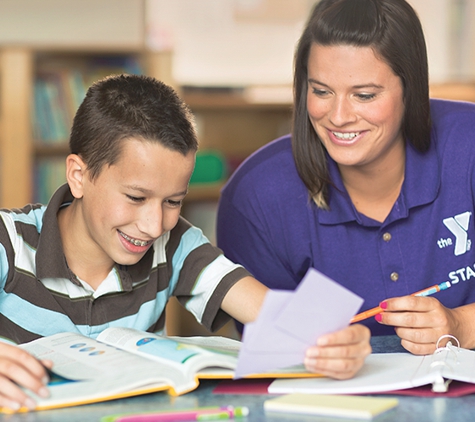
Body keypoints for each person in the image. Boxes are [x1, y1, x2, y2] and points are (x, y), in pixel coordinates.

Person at [0, 74, 370, 411]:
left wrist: (335, 338)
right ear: (79, 176)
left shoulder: (174, 245)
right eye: (135, 197)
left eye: (173, 201)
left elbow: (269, 309)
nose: (154, 224)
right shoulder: (9, 242)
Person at [217, 0, 475, 356]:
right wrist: (315, 354)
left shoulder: (469, 144)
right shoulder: (257, 197)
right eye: (321, 91)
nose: (338, 117)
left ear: (411, 88)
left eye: (364, 95)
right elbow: (273, 353)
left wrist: (463, 325)